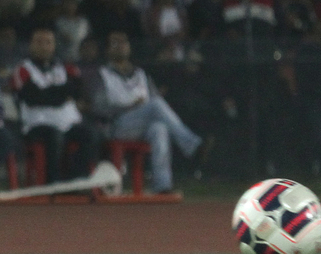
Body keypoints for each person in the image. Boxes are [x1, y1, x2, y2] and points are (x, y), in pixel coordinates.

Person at [91, 31, 203, 193]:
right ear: (108, 50)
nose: (121, 46)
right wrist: (130, 107)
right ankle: (190, 144)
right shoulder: (102, 74)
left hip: (142, 126)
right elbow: (99, 108)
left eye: (124, 42)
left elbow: (155, 101)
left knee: (160, 128)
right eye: (115, 43)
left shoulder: (140, 74)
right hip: (116, 126)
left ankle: (162, 185)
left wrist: (143, 108)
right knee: (156, 105)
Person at [10, 27, 99, 183]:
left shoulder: (66, 67)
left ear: (54, 45)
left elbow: (77, 90)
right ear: (31, 45)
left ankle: (76, 180)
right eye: (39, 42)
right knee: (55, 136)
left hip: (68, 123)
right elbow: (34, 97)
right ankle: (53, 182)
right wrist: (62, 93)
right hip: (37, 125)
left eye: (48, 42)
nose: (43, 46)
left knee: (92, 134)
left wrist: (49, 93)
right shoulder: (23, 69)